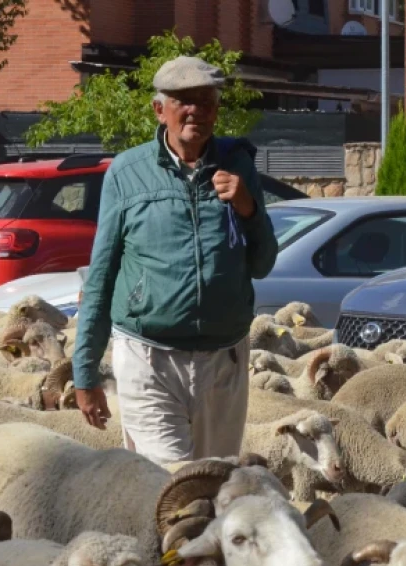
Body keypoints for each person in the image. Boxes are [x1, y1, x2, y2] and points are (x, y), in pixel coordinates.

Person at [72, 55, 279, 467]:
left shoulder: (238, 166)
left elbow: (263, 263)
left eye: (206, 101)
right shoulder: (127, 173)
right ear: (159, 109)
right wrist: (85, 372)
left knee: (215, 480)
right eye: (184, 100)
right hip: (149, 357)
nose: (195, 111)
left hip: (224, 359)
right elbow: (102, 273)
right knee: (170, 480)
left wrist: (247, 206)